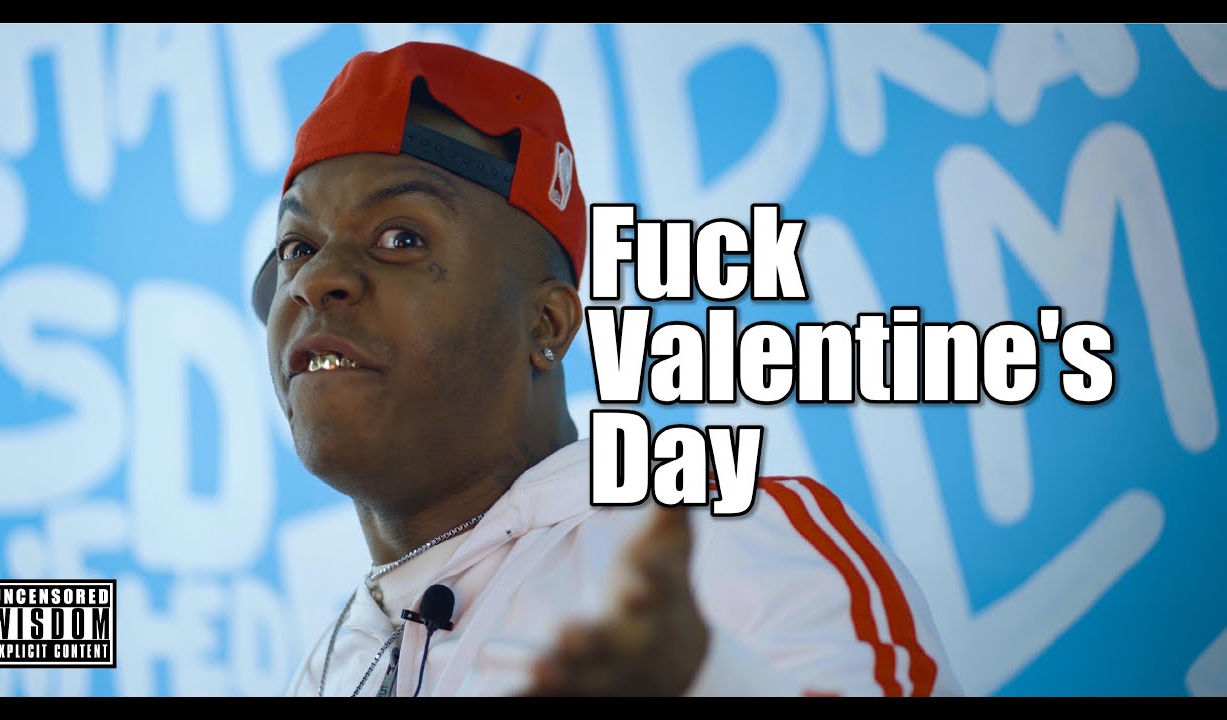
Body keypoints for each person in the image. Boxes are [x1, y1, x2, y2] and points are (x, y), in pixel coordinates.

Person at [250, 41, 962, 697]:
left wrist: (709, 677)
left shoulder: (724, 540)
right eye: (296, 248)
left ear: (547, 323)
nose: (315, 280)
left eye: (401, 237)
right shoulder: (330, 663)